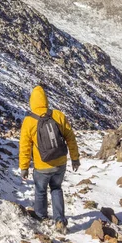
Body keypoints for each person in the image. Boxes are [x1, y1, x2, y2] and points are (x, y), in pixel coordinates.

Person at [19, 85, 80, 233]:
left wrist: (24, 167)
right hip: (60, 162)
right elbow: (70, 138)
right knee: (56, 188)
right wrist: (75, 158)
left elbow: (25, 146)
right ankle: (60, 220)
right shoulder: (58, 115)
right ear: (46, 100)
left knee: (40, 190)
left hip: (42, 165)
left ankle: (41, 216)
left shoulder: (29, 121)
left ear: (32, 101)